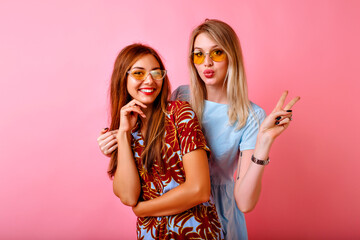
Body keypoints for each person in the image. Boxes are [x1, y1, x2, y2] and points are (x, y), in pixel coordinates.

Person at [98, 20, 300, 239]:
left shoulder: (251, 115)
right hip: (169, 212)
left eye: (217, 53)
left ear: (232, 56)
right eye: (198, 54)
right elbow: (152, 157)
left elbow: (243, 202)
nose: (207, 63)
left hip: (217, 216)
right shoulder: (180, 98)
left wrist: (264, 142)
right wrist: (117, 142)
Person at [105, 43, 223, 239]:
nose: (150, 81)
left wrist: (143, 210)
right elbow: (128, 196)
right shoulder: (125, 130)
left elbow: (199, 190)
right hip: (151, 234)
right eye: (139, 73)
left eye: (156, 73)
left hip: (195, 231)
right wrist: (123, 134)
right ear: (122, 78)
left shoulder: (180, 113)